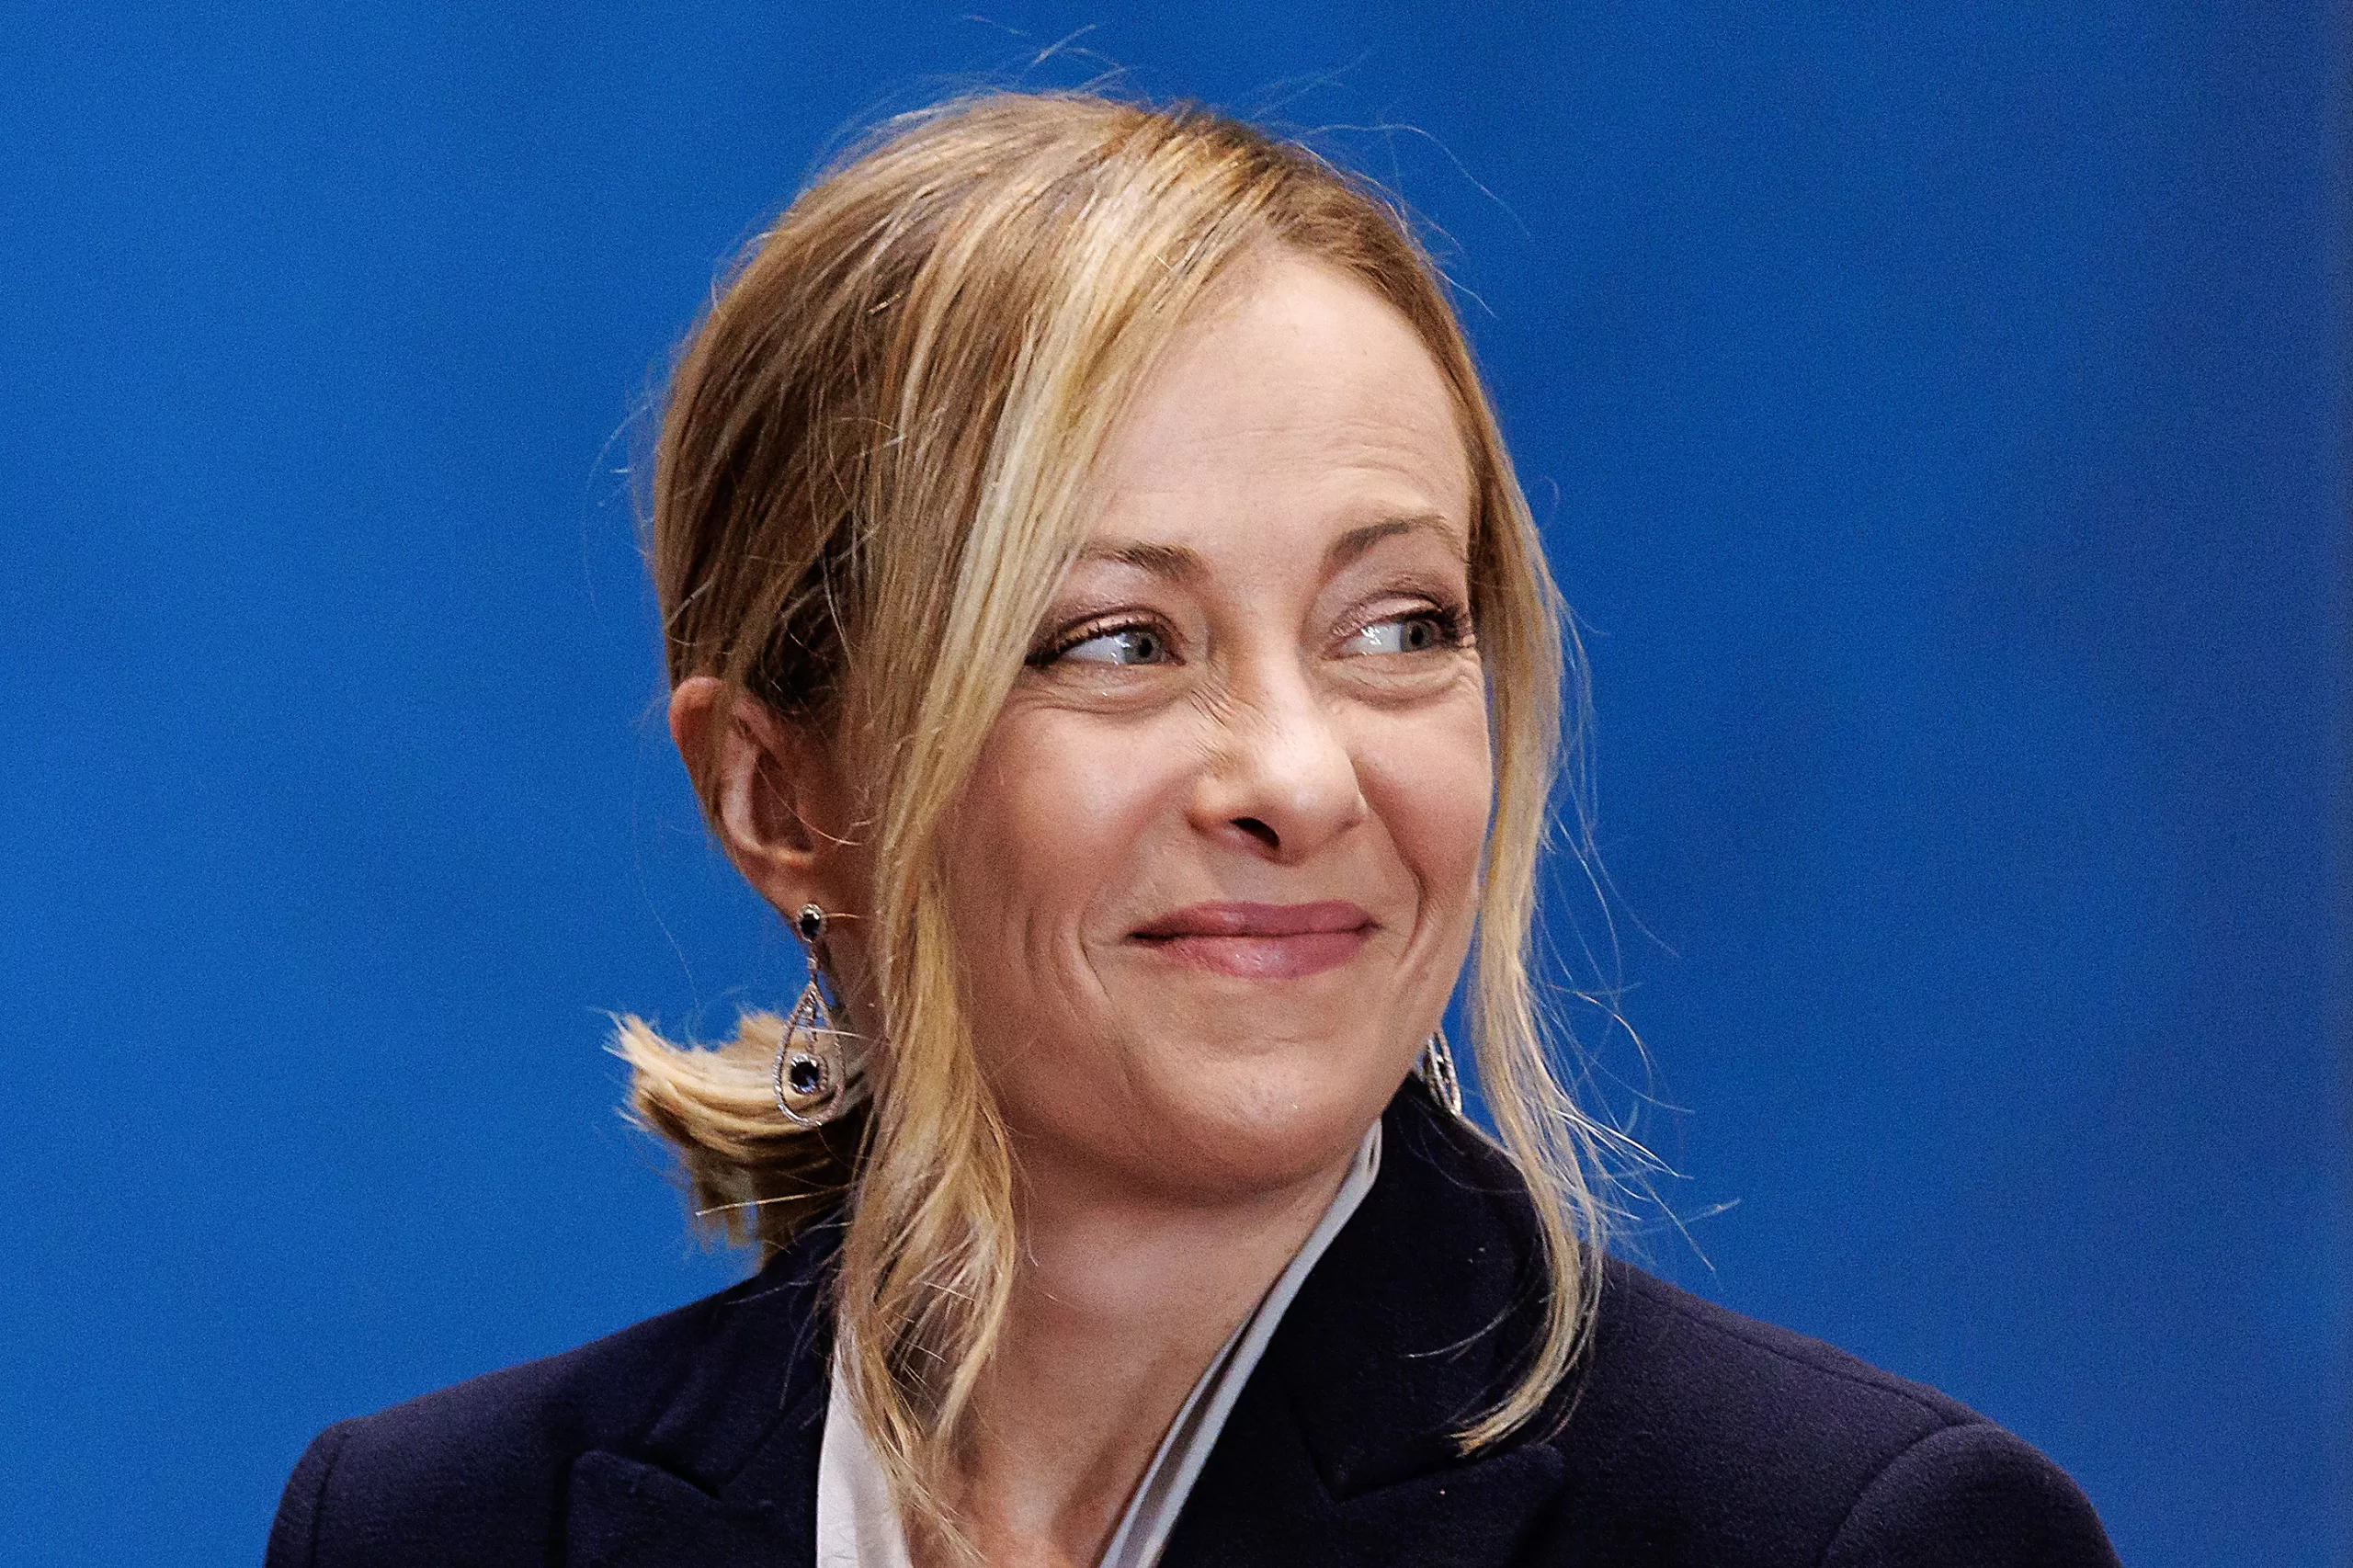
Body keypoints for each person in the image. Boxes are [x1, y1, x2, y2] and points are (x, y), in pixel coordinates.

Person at [265, 92, 2120, 1568]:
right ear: (779, 795)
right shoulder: (428, 1526)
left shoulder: (1845, 1538)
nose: (1298, 779)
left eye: (1398, 625)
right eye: (1116, 642)